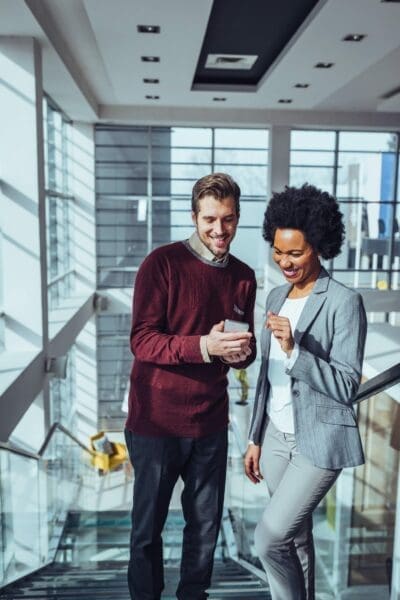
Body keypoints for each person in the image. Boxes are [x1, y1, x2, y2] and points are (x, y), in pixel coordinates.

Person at [125, 172, 257, 600]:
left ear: (238, 218)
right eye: (211, 219)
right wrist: (204, 346)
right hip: (156, 424)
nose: (220, 230)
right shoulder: (161, 264)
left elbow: (245, 343)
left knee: (205, 529)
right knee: (148, 530)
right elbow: (142, 340)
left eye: (230, 219)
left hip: (210, 423)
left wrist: (242, 353)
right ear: (194, 216)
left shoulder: (244, 276)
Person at [244, 184, 367, 600]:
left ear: (318, 245)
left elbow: (348, 384)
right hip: (275, 440)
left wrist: (296, 350)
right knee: (295, 540)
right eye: (278, 251)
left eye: (295, 253)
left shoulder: (344, 302)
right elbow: (266, 375)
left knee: (268, 539)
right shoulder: (276, 296)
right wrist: (254, 437)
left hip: (318, 443)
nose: (285, 262)